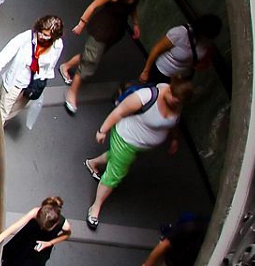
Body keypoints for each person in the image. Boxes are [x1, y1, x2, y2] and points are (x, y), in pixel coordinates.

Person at [83, 76, 193, 230]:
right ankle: (95, 208)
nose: (175, 101)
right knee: (116, 174)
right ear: (170, 88)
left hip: (139, 145)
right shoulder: (147, 96)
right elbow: (120, 111)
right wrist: (103, 130)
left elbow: (173, 122)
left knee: (117, 159)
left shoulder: (177, 104)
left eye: (179, 100)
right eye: (174, 97)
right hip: (126, 138)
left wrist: (174, 138)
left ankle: (92, 163)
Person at [60, 0, 152, 115]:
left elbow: (132, 8)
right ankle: (72, 93)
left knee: (91, 56)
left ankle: (66, 66)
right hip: (101, 29)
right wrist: (81, 24)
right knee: (90, 62)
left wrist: (135, 24)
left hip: (114, 32)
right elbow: (94, 5)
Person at [0, 14, 64, 129]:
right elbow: (6, 53)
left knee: (16, 108)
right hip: (15, 83)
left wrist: (41, 80)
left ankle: (1, 122)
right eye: (41, 32)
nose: (41, 36)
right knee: (2, 111)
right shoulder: (26, 38)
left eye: (46, 35)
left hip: (33, 84)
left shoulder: (57, 45)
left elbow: (50, 65)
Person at [140, 14, 222, 86]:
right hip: (161, 71)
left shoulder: (207, 45)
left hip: (177, 79)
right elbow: (157, 49)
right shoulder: (180, 33)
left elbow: (199, 64)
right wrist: (146, 71)